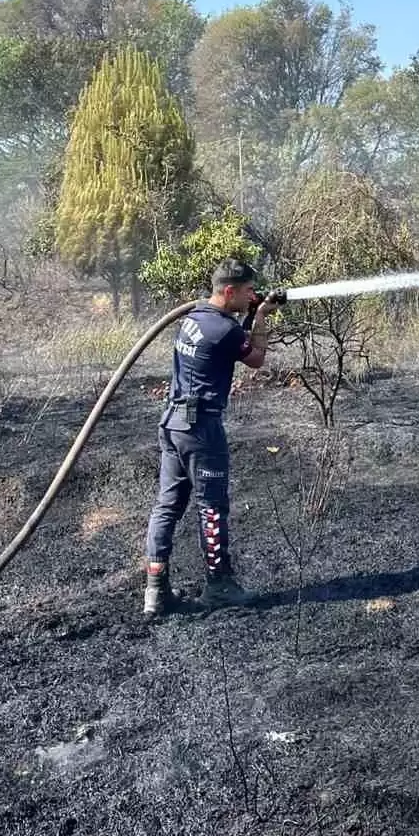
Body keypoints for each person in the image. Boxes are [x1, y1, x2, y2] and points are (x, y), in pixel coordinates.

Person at [143, 258, 285, 616]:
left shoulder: (194, 320)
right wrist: (263, 316)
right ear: (229, 291)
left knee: (167, 507)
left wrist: (253, 312)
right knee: (212, 507)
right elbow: (256, 359)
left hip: (173, 423)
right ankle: (219, 584)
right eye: (248, 291)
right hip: (201, 430)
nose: (253, 295)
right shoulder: (223, 330)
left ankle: (155, 592)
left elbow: (234, 338)